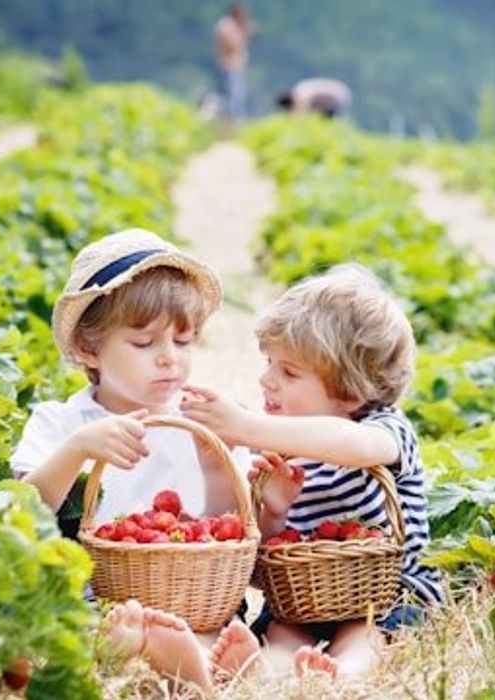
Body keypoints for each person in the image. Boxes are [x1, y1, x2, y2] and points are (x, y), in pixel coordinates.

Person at [10, 228, 262, 691]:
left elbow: (224, 528)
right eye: (145, 344)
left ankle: (195, 657)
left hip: (192, 593)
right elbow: (25, 512)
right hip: (97, 598)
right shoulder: (61, 422)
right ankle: (167, 653)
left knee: (207, 620)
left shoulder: (198, 421)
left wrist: (213, 463)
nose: (169, 360)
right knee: (83, 627)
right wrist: (77, 450)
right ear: (89, 348)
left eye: (183, 343)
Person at [181, 263, 444, 681]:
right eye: (269, 363)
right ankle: (265, 670)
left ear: (350, 392)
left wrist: (248, 427)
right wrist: (275, 512)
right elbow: (265, 560)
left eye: (289, 372)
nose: (266, 380)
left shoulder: (385, 428)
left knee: (366, 631)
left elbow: (355, 448)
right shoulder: (280, 450)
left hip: (386, 589)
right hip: (307, 594)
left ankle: (344, 673)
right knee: (285, 628)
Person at [214, 3, 254, 126]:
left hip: (236, 66)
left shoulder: (234, 26)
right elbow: (233, 44)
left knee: (237, 95)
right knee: (233, 96)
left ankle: (234, 122)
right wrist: (242, 30)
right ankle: (232, 123)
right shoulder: (226, 26)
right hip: (229, 66)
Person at [276, 77, 353, 119]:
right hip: (338, 94)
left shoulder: (300, 93)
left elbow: (302, 111)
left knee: (327, 119)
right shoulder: (301, 88)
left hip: (336, 97)